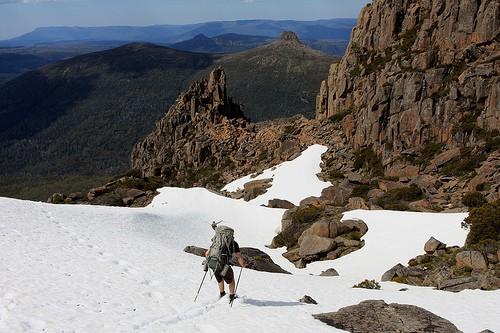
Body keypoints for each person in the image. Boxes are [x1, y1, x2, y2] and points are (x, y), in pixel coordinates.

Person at [204, 233, 247, 302]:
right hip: (223, 265)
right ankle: (232, 296)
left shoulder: (216, 242)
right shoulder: (234, 243)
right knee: (231, 280)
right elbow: (238, 256)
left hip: (213, 264)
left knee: (220, 279)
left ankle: (222, 293)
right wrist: (243, 264)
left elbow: (207, 253)